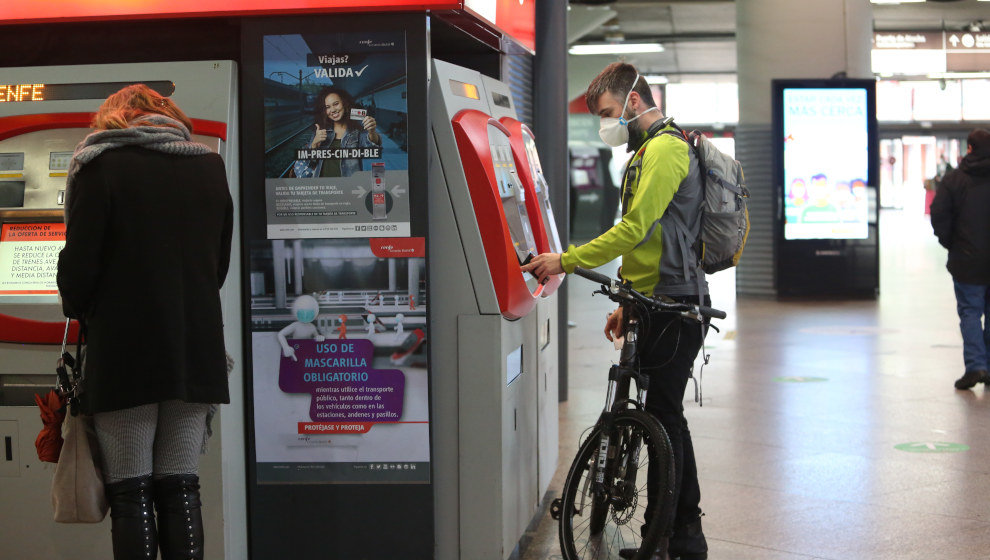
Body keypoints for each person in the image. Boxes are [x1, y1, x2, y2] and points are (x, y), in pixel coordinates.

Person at [523, 62, 709, 560]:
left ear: (631, 101)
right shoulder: (644, 153)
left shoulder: (668, 151)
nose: (606, 124)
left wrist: (565, 260)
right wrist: (627, 299)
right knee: (660, 417)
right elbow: (644, 247)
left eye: (607, 112)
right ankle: (669, 534)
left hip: (676, 305)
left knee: (665, 418)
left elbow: (635, 230)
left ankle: (681, 536)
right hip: (653, 301)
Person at [57, 84, 233, 560]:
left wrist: (77, 303)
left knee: (130, 490)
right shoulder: (208, 165)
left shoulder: (99, 165)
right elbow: (218, 265)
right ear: (168, 116)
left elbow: (79, 268)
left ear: (114, 119)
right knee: (179, 485)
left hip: (125, 351)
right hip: (195, 350)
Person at [930, 128, 990, 390]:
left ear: (969, 149)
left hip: (967, 259)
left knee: (970, 312)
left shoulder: (954, 180)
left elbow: (939, 216)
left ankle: (976, 366)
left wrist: (952, 244)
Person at [293, 86, 380, 178]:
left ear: (344, 104)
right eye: (328, 107)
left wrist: (372, 132)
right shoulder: (321, 129)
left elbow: (371, 148)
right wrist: (314, 144)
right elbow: (310, 162)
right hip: (323, 187)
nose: (333, 110)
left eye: (336, 104)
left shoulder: (357, 129)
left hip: (348, 187)